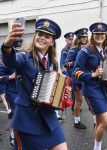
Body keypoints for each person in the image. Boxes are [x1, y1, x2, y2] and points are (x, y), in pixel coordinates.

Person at [1, 18, 67, 150]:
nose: (42, 38)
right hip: (27, 120)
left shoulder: (53, 62)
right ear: (35, 36)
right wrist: (7, 46)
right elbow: (11, 62)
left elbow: (54, 92)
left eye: (47, 36)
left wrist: (64, 94)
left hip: (49, 118)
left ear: (52, 41)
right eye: (40, 34)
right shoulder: (24, 56)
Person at [73, 22, 107, 150]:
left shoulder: (105, 51)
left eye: (102, 34)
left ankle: (96, 147)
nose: (100, 36)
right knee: (106, 122)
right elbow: (76, 72)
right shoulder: (85, 51)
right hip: (92, 90)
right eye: (97, 34)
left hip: (104, 89)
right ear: (93, 36)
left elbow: (106, 68)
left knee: (100, 122)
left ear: (105, 35)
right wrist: (93, 74)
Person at [65, 28, 88, 129]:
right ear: (78, 38)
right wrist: (79, 64)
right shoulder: (74, 49)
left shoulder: (88, 48)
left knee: (90, 99)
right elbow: (67, 62)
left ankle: (97, 120)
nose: (84, 38)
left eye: (85, 37)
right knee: (79, 101)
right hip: (77, 79)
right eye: (82, 37)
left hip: (87, 78)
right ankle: (76, 121)